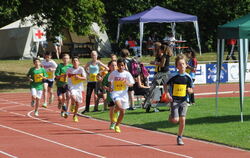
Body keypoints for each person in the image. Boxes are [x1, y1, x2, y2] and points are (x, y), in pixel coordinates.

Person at [165, 54, 194, 145]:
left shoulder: (188, 77)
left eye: (183, 64)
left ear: (186, 65)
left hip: (184, 101)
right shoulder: (173, 76)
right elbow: (165, 85)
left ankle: (180, 137)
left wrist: (190, 90)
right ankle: (171, 117)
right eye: (179, 64)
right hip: (174, 101)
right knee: (175, 120)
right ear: (177, 66)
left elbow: (191, 89)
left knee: (183, 120)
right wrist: (167, 94)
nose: (181, 66)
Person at [143, 44, 173, 112]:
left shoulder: (164, 56)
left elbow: (162, 64)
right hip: (167, 73)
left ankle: (146, 104)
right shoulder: (167, 55)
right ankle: (172, 104)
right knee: (168, 89)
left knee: (152, 88)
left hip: (162, 74)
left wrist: (154, 62)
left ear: (162, 49)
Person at [108, 58, 135, 133]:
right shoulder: (114, 73)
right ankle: (115, 113)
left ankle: (117, 125)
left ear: (124, 65)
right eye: (119, 65)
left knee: (123, 111)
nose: (121, 67)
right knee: (119, 107)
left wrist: (127, 83)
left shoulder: (127, 74)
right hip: (115, 93)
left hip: (124, 94)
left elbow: (132, 84)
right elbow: (109, 80)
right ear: (117, 66)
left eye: (122, 65)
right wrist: (110, 87)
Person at [66, 56, 86, 122]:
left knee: (78, 103)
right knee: (73, 98)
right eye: (74, 61)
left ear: (79, 62)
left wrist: (79, 78)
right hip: (72, 86)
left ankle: (75, 115)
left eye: (76, 61)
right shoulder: (69, 69)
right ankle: (72, 104)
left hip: (79, 87)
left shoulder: (81, 69)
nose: (75, 62)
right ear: (72, 62)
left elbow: (85, 78)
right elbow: (66, 77)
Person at [103, 60, 118, 130]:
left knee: (118, 107)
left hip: (118, 94)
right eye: (112, 65)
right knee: (112, 109)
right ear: (109, 67)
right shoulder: (108, 75)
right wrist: (108, 89)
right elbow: (103, 85)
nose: (114, 67)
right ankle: (112, 122)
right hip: (110, 95)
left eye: (115, 65)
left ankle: (116, 121)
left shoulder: (119, 74)